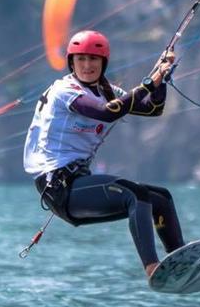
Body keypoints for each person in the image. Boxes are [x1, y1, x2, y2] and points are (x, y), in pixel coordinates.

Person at [23, 30, 185, 280]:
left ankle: (180, 262)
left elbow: (153, 109)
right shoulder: (66, 90)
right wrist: (149, 83)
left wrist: (161, 78)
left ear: (103, 63)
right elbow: (109, 113)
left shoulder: (107, 90)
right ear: (72, 62)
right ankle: (152, 268)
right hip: (59, 188)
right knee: (135, 193)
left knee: (160, 198)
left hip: (77, 184)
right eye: (81, 60)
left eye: (94, 60)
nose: (87, 66)